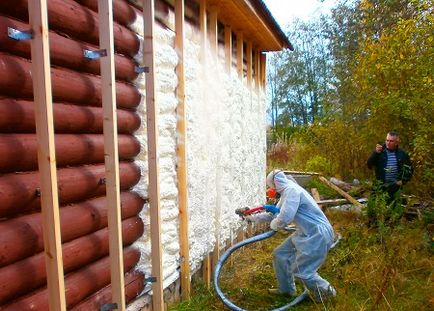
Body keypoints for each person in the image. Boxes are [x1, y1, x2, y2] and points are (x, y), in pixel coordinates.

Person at [248, 170, 336, 302]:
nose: (272, 190)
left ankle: (328, 293)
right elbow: (275, 214)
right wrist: (251, 218)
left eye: (272, 186)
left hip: (317, 234)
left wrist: (274, 225)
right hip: (306, 231)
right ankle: (287, 290)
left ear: (276, 183)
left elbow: (285, 217)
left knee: (303, 271)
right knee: (280, 254)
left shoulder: (292, 191)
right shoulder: (286, 193)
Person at [367, 131, 413, 200]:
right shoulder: (380, 152)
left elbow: (409, 169)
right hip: (380, 186)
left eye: (391, 141)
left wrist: (403, 181)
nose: (388, 143)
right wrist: (375, 153)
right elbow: (369, 165)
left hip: (395, 187)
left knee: (393, 206)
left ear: (396, 142)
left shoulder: (402, 154)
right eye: (387, 140)